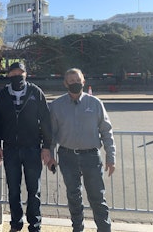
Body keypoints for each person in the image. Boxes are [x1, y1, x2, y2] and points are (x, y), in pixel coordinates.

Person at [48, 68, 116, 232]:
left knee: (97, 197)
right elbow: (51, 134)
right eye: (70, 81)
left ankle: (104, 229)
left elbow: (106, 131)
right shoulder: (56, 106)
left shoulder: (95, 103)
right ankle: (77, 228)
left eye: (77, 80)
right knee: (73, 196)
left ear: (83, 81)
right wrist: (50, 155)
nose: (74, 83)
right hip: (67, 156)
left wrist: (111, 157)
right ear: (65, 83)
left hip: (91, 157)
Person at [0, 62, 52, 232]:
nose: (17, 76)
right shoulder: (2, 95)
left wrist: (47, 146)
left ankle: (35, 225)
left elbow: (46, 121)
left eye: (20, 73)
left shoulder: (36, 92)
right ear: (9, 75)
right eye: (13, 73)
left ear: (26, 74)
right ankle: (15, 223)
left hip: (32, 148)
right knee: (13, 190)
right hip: (10, 149)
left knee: (34, 191)